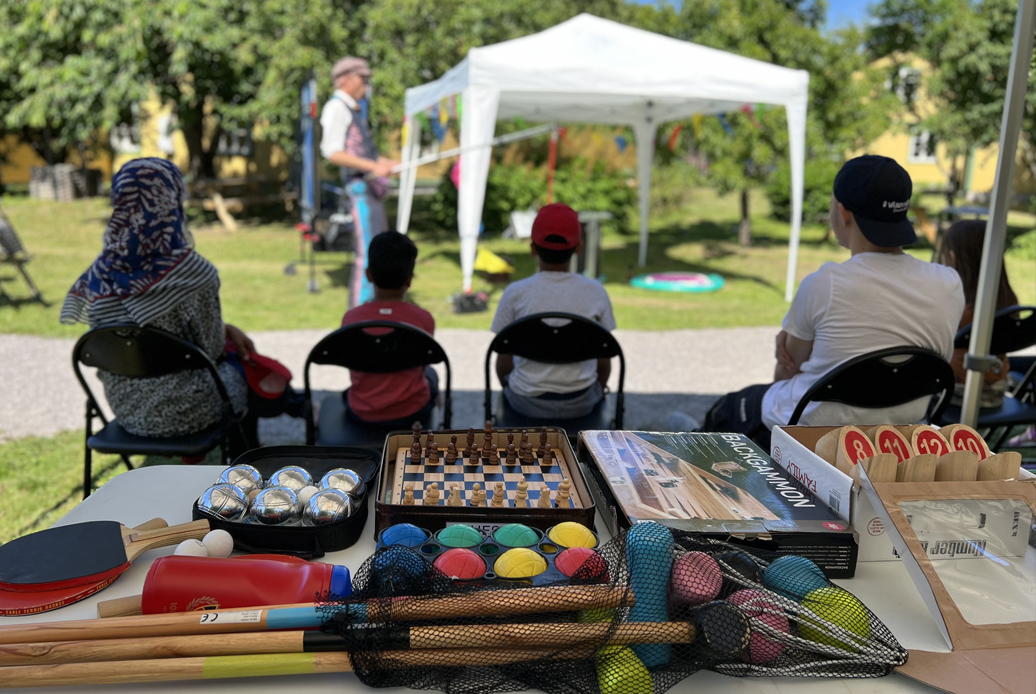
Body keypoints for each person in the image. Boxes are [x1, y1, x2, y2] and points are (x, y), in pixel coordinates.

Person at [701, 155, 965, 449]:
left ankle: (693, 442)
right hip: (897, 435)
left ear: (843, 212)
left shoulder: (825, 283)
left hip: (809, 435)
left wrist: (784, 355)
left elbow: (787, 371)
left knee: (727, 410)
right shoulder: (949, 283)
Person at [61, 158, 303, 455]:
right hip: (191, 409)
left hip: (127, 410)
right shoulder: (193, 273)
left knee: (236, 375)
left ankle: (252, 447)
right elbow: (211, 350)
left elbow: (123, 338)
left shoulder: (102, 272)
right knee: (242, 373)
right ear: (174, 200)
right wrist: (224, 334)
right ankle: (246, 465)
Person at [491, 203, 616, 419]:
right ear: (579, 247)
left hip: (525, 401)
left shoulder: (515, 293)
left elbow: (503, 361)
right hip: (582, 402)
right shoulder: (596, 292)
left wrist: (510, 387)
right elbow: (604, 361)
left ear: (532, 248)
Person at [319, 56, 399, 310]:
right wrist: (374, 166)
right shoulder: (336, 108)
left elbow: (362, 154)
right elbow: (333, 153)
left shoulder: (353, 109)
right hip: (359, 191)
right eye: (363, 79)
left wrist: (384, 163)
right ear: (346, 80)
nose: (366, 85)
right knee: (366, 254)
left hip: (369, 190)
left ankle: (375, 308)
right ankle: (359, 314)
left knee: (377, 254)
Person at [339, 231, 438, 428]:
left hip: (362, 411)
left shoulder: (351, 319)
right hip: (412, 413)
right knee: (432, 375)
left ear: (369, 275)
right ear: (409, 279)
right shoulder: (423, 319)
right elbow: (421, 367)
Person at [940, 219, 1020, 408]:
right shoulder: (1009, 300)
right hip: (997, 392)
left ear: (952, 258)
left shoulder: (958, 304)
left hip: (955, 395)